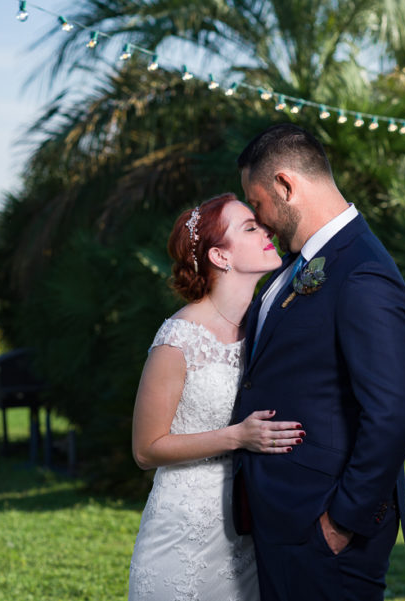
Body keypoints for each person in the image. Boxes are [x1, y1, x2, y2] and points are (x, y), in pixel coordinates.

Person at [233, 124, 405, 601]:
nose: (260, 218)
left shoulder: (362, 270)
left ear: (285, 185)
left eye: (257, 203)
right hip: (285, 514)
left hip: (324, 526)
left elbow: (393, 412)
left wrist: (341, 521)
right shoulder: (298, 265)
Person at [127, 192, 305, 601]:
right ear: (221, 258)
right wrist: (237, 437)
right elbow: (146, 449)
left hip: (249, 529)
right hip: (183, 534)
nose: (267, 231)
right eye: (249, 227)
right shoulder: (178, 338)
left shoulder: (264, 325)